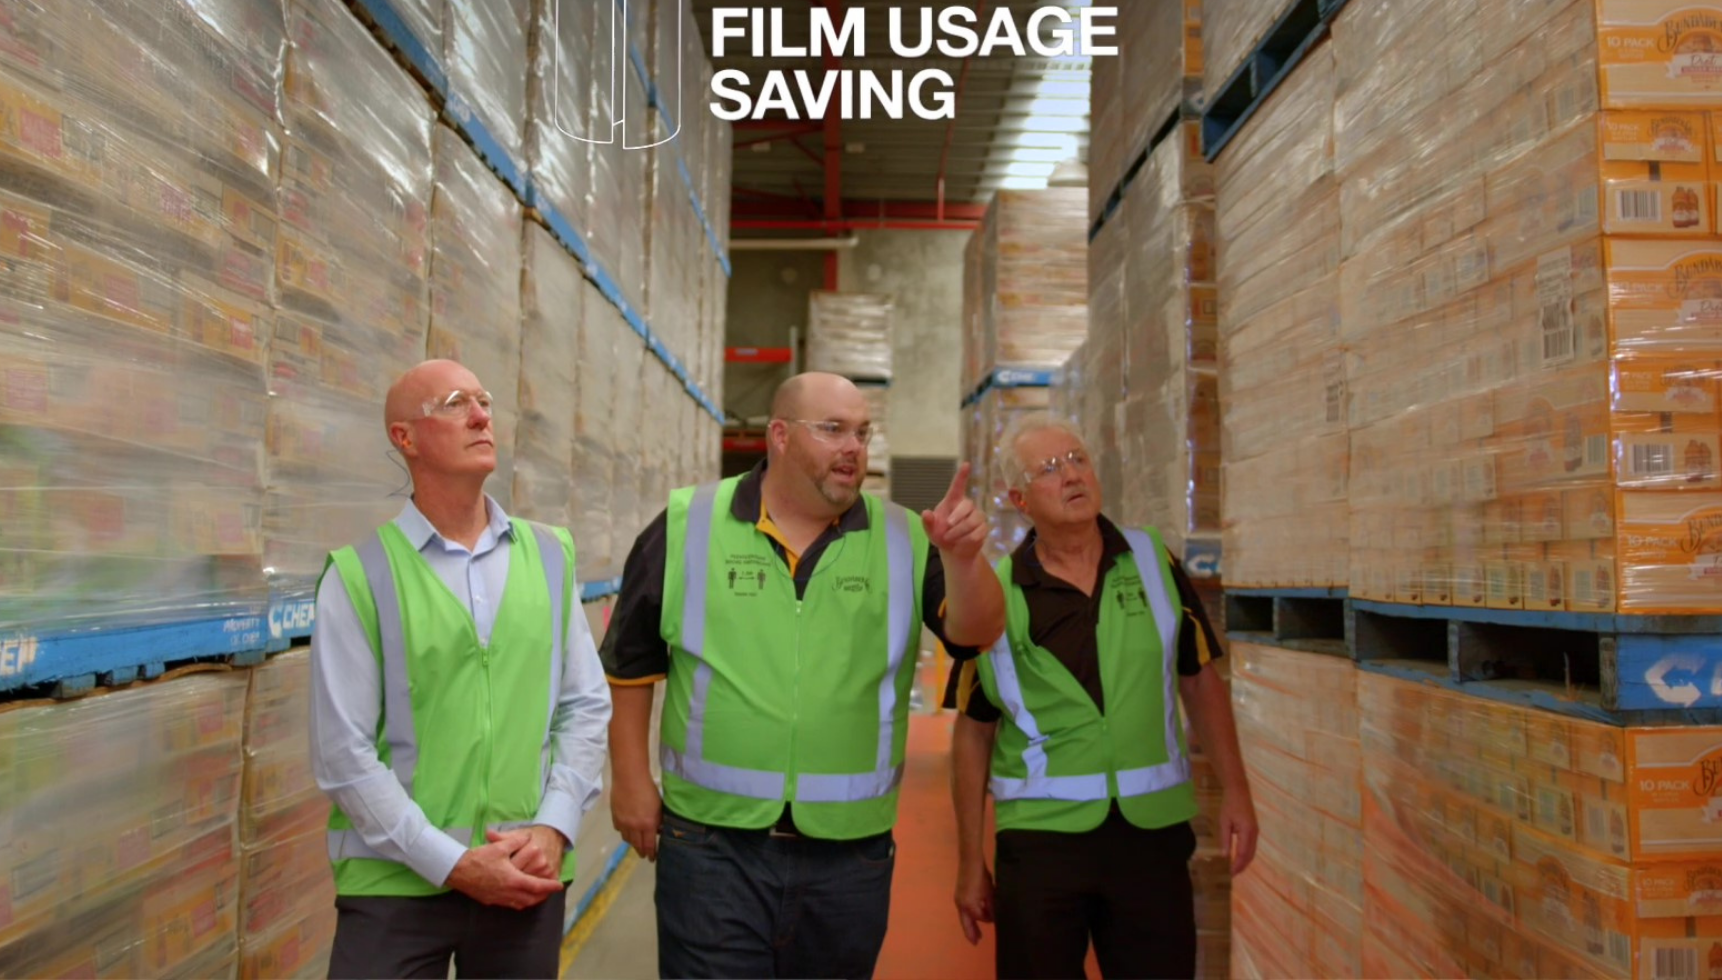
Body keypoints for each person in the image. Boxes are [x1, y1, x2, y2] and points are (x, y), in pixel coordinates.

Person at [600, 371, 1006, 979]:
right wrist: (631, 781)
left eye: (864, 433)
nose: (854, 448)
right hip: (712, 846)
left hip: (851, 852)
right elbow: (630, 665)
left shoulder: (904, 538)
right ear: (781, 437)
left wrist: (965, 561)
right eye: (834, 429)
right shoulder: (690, 524)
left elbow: (977, 633)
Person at [310, 359, 612, 980]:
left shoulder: (550, 555)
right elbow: (343, 753)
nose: (480, 415)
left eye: (484, 401)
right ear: (405, 438)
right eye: (453, 403)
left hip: (524, 869)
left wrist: (554, 828)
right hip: (393, 884)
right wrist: (449, 862)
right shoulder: (359, 574)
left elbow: (584, 705)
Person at [949, 414, 1258, 980]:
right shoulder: (996, 592)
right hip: (1041, 843)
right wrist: (972, 861)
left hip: (1150, 837)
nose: (1070, 476)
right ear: (1019, 499)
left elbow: (1199, 677)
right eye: (1048, 469)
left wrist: (1236, 790)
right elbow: (973, 728)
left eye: (1077, 460)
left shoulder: (1151, 560)